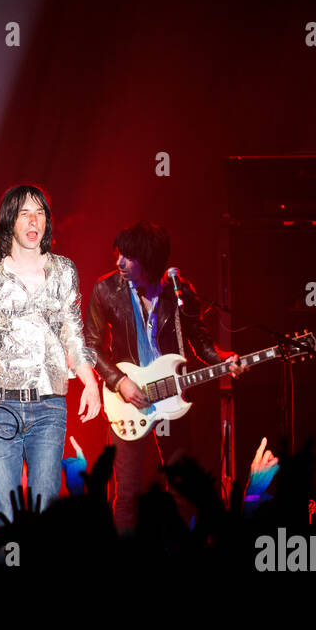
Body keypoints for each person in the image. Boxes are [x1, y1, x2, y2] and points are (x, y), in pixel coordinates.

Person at [0, 184, 102, 527]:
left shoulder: (64, 271)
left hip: (49, 407)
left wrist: (90, 383)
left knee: (44, 516)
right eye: (24, 214)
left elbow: (74, 335)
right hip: (0, 408)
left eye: (40, 213)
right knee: (4, 515)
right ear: (10, 223)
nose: (34, 221)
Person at [83, 221, 242, 532]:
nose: (119, 263)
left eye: (129, 257)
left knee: (183, 490)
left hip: (172, 394)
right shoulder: (106, 289)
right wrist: (120, 382)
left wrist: (226, 360)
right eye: (119, 255)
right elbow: (91, 347)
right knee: (127, 494)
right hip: (128, 399)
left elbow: (203, 343)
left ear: (149, 260)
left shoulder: (178, 292)